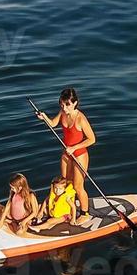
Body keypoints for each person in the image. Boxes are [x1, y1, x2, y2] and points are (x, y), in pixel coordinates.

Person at [35, 87, 95, 217]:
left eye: (67, 105)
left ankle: (85, 214)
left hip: (79, 155)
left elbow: (92, 139)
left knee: (78, 187)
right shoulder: (62, 112)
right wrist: (44, 117)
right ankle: (69, 210)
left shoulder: (81, 119)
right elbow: (52, 123)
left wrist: (74, 148)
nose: (65, 108)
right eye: (62, 105)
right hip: (66, 154)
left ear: (75, 103)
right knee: (66, 184)